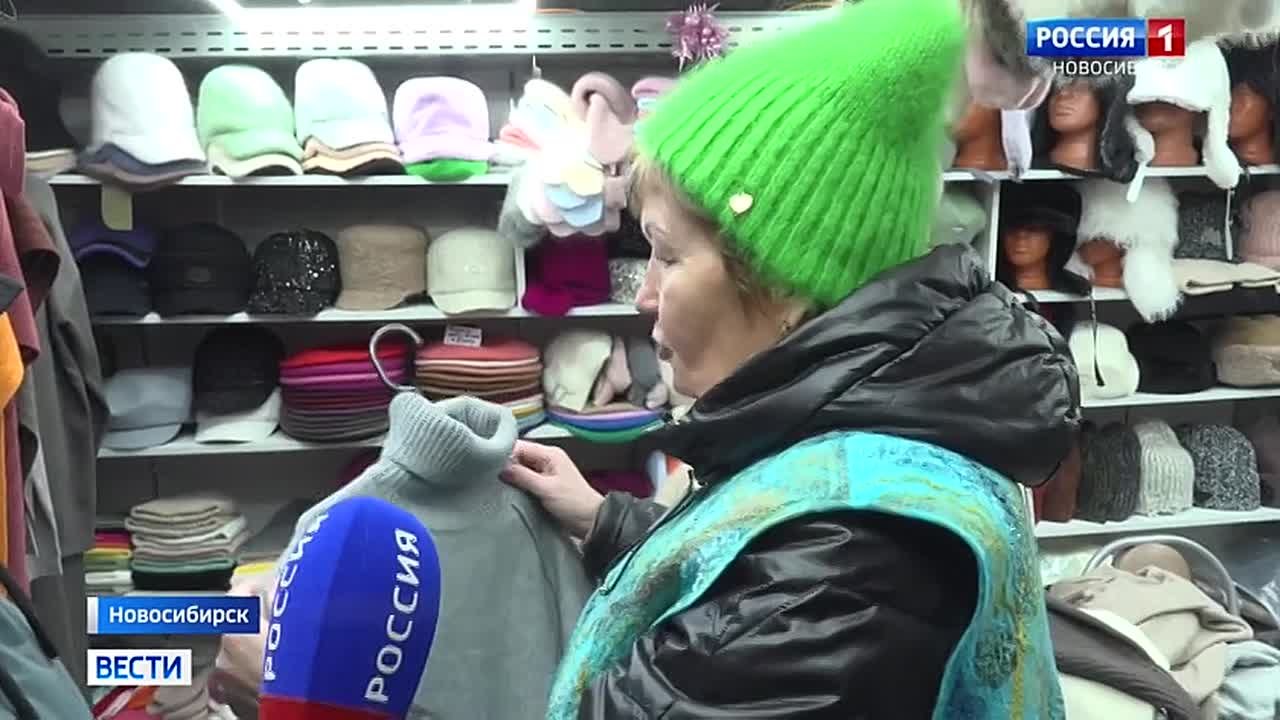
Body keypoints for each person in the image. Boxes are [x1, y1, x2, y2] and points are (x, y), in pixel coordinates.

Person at [500, 0, 1079, 718]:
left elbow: (777, 606)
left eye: (668, 254)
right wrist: (605, 521)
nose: (645, 294)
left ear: (783, 284)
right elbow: (751, 573)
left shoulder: (851, 564)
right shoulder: (881, 445)